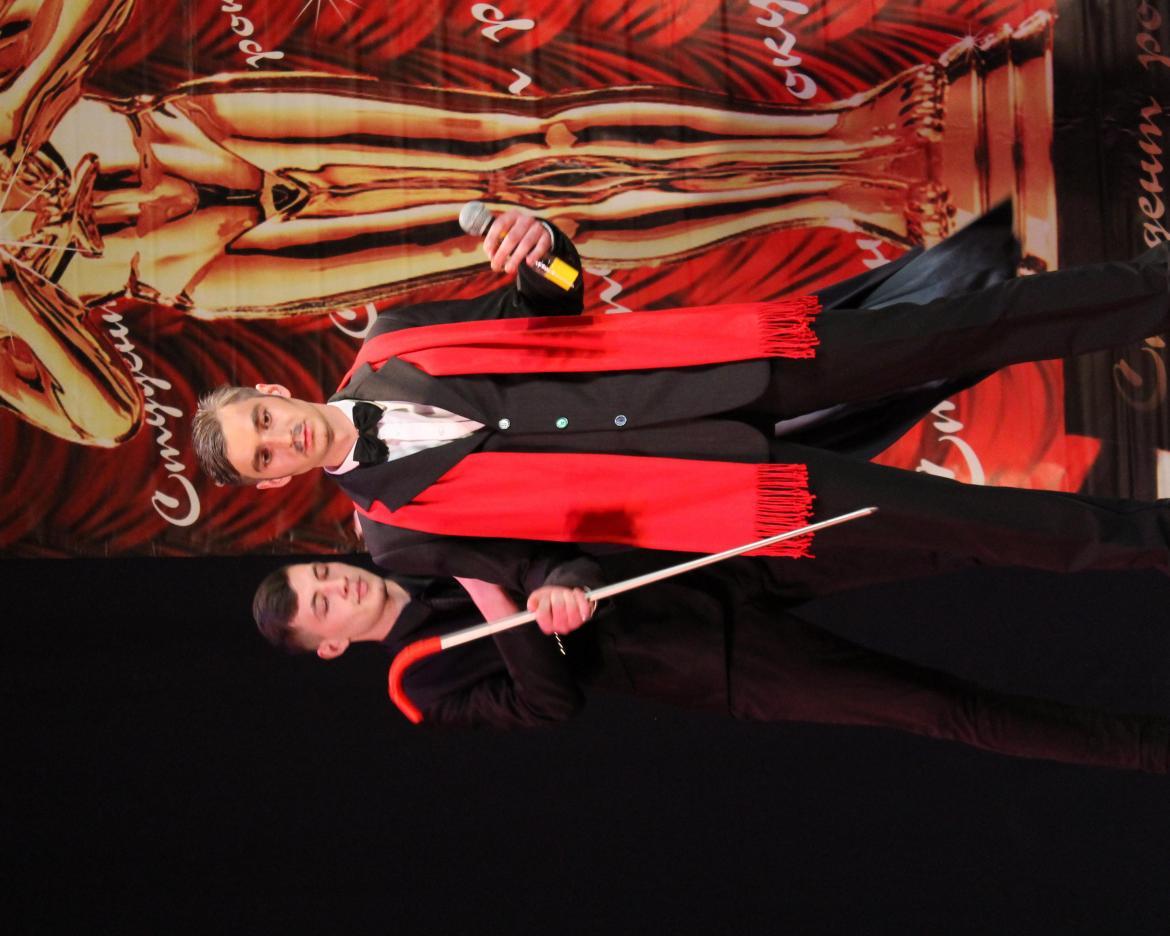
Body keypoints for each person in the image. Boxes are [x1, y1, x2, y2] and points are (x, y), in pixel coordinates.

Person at [194, 207, 1170, 596]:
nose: (283, 438)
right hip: (723, 492)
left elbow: (549, 301)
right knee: (977, 523)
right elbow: (540, 563)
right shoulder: (395, 532)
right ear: (273, 483)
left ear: (273, 391)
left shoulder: (396, 337)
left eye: (264, 420)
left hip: (727, 363)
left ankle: (1154, 286)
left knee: (974, 324)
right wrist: (560, 592)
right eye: (264, 455)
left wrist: (544, 245)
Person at [251, 557, 1169, 773]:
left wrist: (562, 579)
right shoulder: (418, 688)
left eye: (322, 574)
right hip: (718, 665)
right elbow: (549, 704)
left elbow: (552, 543)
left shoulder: (416, 545)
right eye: (322, 606)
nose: (339, 588)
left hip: (703, 570)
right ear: (328, 645)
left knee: (948, 536)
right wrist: (501, 606)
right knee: (944, 711)